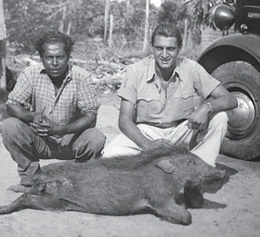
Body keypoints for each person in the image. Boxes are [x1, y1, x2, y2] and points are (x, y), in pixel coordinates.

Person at [102, 23, 238, 207]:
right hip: (147, 133)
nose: (164, 54)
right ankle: (152, 183)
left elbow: (231, 99)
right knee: (111, 155)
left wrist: (207, 107)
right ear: (152, 48)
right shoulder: (135, 72)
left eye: (170, 49)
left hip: (183, 131)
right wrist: (147, 145)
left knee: (220, 118)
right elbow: (124, 120)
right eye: (159, 48)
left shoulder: (192, 69)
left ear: (179, 49)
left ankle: (194, 183)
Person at [2, 31, 106, 187]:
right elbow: (11, 105)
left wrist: (61, 129)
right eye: (49, 58)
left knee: (96, 137)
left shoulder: (82, 77)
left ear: (68, 57)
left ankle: (78, 176)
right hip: (41, 139)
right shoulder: (30, 74)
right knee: (10, 126)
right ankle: (31, 176)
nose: (55, 63)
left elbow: (90, 117)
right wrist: (32, 116)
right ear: (41, 58)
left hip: (71, 140)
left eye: (60, 57)